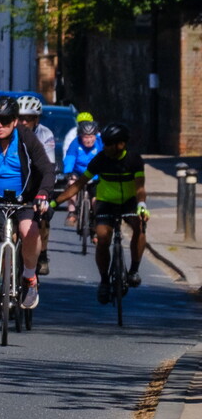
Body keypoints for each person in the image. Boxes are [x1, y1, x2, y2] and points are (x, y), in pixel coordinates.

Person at [0, 95, 55, 318]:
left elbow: (47, 169)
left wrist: (42, 195)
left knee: (29, 231)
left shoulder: (26, 138)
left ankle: (30, 279)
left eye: (5, 121)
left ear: (15, 121)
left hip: (24, 200)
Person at [52, 121, 147, 302]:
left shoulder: (134, 159)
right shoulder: (100, 159)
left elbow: (140, 187)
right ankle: (104, 281)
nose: (107, 147)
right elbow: (78, 185)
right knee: (102, 237)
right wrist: (54, 203)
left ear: (122, 144)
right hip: (106, 203)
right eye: (105, 143)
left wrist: (142, 204)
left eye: (111, 143)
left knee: (140, 226)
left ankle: (134, 270)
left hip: (129, 202)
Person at [16, 95, 56, 275]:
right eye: (20, 117)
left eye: (28, 118)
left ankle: (43, 255)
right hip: (16, 183)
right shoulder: (10, 132)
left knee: (43, 217)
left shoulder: (45, 134)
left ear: (36, 119)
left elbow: (48, 166)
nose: (23, 122)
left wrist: (43, 194)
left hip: (38, 183)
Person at [62, 119, 103, 227]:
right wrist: (68, 172)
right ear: (80, 136)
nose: (89, 140)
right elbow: (70, 158)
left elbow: (106, 158)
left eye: (91, 137)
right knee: (71, 185)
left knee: (96, 197)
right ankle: (72, 213)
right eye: (86, 137)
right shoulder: (75, 143)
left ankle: (95, 219)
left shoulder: (100, 143)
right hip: (78, 172)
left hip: (95, 174)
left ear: (95, 135)